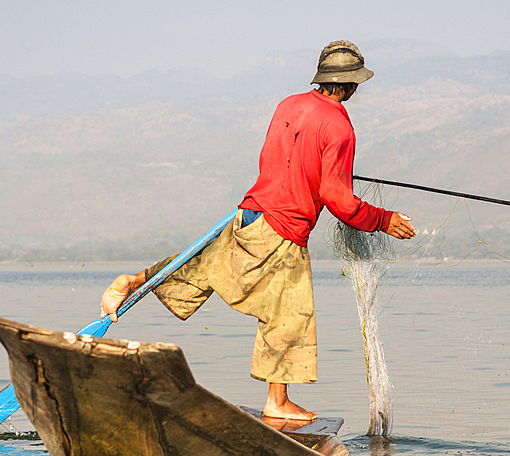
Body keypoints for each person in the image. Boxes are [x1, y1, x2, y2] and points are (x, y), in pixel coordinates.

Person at [100, 40, 415, 421]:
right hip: (284, 229)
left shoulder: (289, 105)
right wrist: (383, 219)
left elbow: (274, 158)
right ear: (349, 85)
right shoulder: (340, 128)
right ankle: (277, 401)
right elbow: (338, 199)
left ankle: (133, 281)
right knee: (289, 315)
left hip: (250, 212)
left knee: (201, 270)